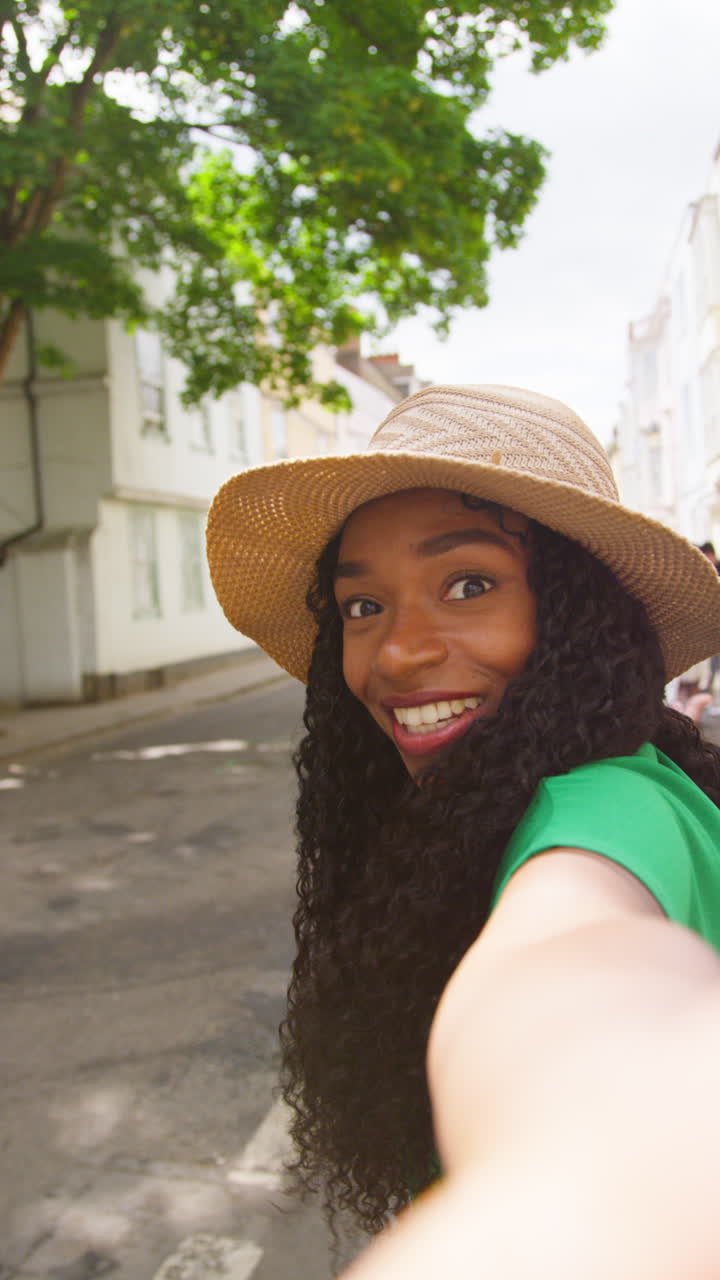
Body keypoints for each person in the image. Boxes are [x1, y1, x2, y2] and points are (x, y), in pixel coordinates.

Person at [206, 384, 720, 1278]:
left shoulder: (601, 809)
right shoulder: (537, 793)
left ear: (575, 613)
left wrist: (593, 1176)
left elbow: (576, 963)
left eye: (469, 584)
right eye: (363, 606)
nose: (398, 651)